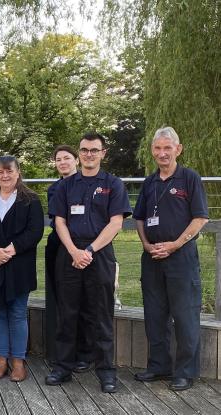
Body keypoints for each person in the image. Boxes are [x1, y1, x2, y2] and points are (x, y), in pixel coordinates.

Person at [46, 132, 131, 393]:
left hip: (100, 254)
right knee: (67, 313)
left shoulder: (113, 184)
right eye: (84, 150)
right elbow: (59, 221)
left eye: (95, 150)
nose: (89, 154)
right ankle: (63, 367)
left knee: (102, 314)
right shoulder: (65, 186)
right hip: (70, 254)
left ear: (103, 153)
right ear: (79, 153)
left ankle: (106, 372)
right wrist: (73, 251)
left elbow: (116, 222)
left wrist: (90, 250)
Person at [133, 127, 209, 391]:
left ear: (178, 149)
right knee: (155, 315)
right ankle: (159, 366)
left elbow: (200, 218)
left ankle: (185, 372)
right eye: (158, 148)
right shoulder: (149, 182)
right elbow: (140, 217)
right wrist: (146, 244)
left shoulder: (189, 178)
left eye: (167, 148)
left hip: (181, 259)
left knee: (185, 315)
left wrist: (175, 245)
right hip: (152, 258)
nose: (162, 153)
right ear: (153, 151)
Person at [0, 156, 44, 382]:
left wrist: (8, 252)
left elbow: (35, 232)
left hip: (18, 266)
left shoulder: (30, 200)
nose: (4, 175)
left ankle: (18, 361)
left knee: (17, 313)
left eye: (8, 171)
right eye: (0, 171)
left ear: (17, 172)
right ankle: (1, 359)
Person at [45, 145, 92, 371]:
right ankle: (61, 352)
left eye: (67, 158)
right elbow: (57, 221)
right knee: (61, 299)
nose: (62, 162)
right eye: (58, 159)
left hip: (84, 245)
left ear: (76, 160)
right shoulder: (54, 188)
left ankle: (84, 352)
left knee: (84, 300)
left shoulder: (87, 184)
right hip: (60, 245)